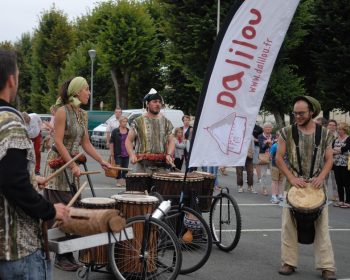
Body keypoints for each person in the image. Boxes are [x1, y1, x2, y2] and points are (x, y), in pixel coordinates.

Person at [0, 48, 69, 279]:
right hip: (16, 252)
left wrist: (31, 177)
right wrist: (50, 210)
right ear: (11, 80)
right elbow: (13, 183)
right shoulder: (10, 122)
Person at [44, 76, 110, 271]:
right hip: (57, 169)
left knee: (73, 210)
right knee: (62, 212)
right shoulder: (63, 112)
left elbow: (86, 143)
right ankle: (59, 256)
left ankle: (67, 254)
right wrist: (72, 164)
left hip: (71, 168)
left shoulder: (83, 114)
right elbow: (57, 141)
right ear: (77, 91)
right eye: (87, 89)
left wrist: (101, 160)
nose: (89, 93)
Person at [276, 95, 336, 280]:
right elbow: (278, 158)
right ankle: (288, 262)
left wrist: (321, 176)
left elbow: (329, 160)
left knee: (323, 229)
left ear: (312, 112)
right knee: (288, 227)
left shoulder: (325, 134)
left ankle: (327, 266)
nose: (297, 117)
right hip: (293, 187)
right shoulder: (286, 132)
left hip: (317, 188)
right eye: (295, 113)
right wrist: (292, 178)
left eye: (301, 113)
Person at [125, 89, 175, 173]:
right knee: (141, 186)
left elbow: (171, 141)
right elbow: (128, 141)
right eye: (155, 101)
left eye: (159, 102)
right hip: (142, 165)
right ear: (147, 104)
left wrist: (169, 154)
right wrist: (132, 155)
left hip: (161, 166)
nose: (158, 104)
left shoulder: (166, 122)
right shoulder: (138, 121)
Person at [332, 122, 350, 208]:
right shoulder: (336, 139)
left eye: (340, 129)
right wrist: (338, 150)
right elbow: (331, 150)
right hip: (336, 164)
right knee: (339, 183)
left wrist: (338, 150)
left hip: (345, 164)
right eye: (338, 129)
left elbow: (345, 149)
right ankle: (341, 200)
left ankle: (348, 201)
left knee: (347, 183)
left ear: (345, 130)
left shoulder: (348, 139)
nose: (339, 131)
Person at [110, 116, 129, 187]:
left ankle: (123, 180)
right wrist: (112, 152)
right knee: (118, 167)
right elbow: (111, 142)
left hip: (126, 152)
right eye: (123, 122)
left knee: (125, 167)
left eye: (126, 122)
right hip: (118, 152)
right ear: (120, 122)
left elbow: (131, 141)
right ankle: (118, 180)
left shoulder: (128, 131)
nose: (125, 123)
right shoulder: (115, 131)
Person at [258, 122, 275, 195]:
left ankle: (274, 189)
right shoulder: (260, 136)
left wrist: (271, 144)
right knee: (263, 173)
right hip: (264, 156)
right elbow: (262, 147)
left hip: (272, 157)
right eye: (266, 127)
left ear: (272, 128)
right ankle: (264, 188)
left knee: (273, 174)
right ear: (263, 128)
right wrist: (266, 143)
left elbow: (276, 146)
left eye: (270, 127)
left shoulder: (274, 136)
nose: (268, 128)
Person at [269, 131, 284, 203]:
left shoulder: (285, 145)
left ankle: (280, 195)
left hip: (283, 166)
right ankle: (274, 196)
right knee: (275, 181)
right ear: (277, 137)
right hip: (275, 166)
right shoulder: (275, 146)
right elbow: (270, 155)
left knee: (281, 181)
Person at [326, 119, 339, 201]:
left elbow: (341, 149)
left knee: (335, 180)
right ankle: (324, 195)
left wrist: (331, 151)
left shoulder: (338, 136)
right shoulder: (325, 135)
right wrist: (333, 151)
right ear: (327, 126)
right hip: (326, 161)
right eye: (330, 125)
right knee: (324, 179)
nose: (332, 127)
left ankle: (336, 196)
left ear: (336, 127)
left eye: (334, 125)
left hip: (336, 161)